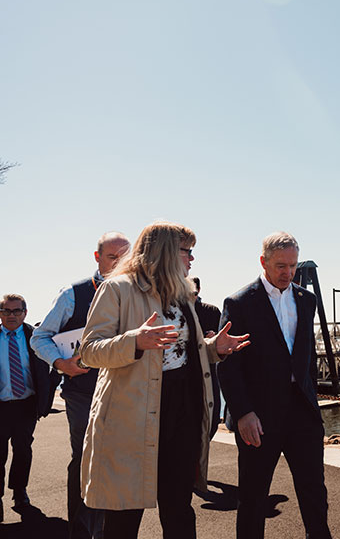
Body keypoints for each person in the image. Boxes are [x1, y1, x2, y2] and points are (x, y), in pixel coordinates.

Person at [79, 222, 249, 539]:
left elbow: (182, 353)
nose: (192, 259)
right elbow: (89, 352)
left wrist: (214, 349)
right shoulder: (118, 289)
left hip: (182, 415)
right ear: (166, 252)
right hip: (133, 418)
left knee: (179, 511)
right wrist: (134, 341)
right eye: (187, 251)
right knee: (123, 518)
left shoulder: (183, 296)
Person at [218, 232, 332, 539]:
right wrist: (243, 413)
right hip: (259, 416)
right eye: (281, 265)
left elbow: (307, 356)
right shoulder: (239, 303)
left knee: (314, 494)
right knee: (254, 498)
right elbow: (228, 365)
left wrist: (312, 399)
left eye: (293, 265)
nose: (288, 272)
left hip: (302, 413)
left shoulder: (307, 300)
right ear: (263, 262)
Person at [30, 231, 129, 539]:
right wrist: (61, 364)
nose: (121, 263)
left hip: (124, 391)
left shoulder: (137, 291)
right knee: (87, 458)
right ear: (97, 257)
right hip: (82, 393)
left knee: (118, 461)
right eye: (113, 257)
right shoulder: (72, 294)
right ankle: (81, 530)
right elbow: (39, 337)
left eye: (126, 257)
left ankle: (108, 530)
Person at [0, 294, 54, 523]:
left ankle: (19, 492)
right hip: (0, 405)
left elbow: (53, 366)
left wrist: (45, 400)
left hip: (26, 404)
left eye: (16, 311)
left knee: (23, 450)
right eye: (6, 311)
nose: (11, 316)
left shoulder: (36, 337)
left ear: (25, 312)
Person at [191, 277, 222, 440]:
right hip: (187, 374)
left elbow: (222, 337)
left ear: (199, 291)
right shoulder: (175, 312)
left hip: (209, 370)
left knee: (213, 417)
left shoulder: (211, 311)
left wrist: (216, 338)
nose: (191, 296)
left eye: (194, 293)